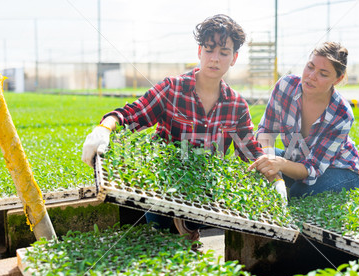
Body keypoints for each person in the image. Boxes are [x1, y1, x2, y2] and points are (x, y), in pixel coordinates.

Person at [82, 14, 285, 243]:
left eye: (224, 53)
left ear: (234, 58)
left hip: (205, 186)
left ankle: (190, 225)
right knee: (161, 237)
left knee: (218, 206)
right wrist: (104, 129)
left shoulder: (236, 105)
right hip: (164, 183)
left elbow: (250, 152)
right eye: (209, 50)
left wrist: (277, 180)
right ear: (200, 51)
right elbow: (131, 114)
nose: (215, 59)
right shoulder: (173, 89)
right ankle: (177, 227)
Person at [248, 42, 359, 199]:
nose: (311, 76)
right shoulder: (285, 86)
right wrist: (268, 160)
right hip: (297, 159)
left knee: (299, 193)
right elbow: (266, 131)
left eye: (323, 74)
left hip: (338, 168)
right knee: (250, 154)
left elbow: (313, 168)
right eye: (310, 67)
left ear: (338, 79)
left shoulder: (342, 114)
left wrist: (280, 164)